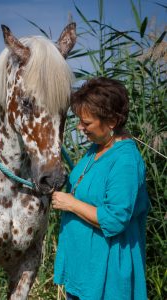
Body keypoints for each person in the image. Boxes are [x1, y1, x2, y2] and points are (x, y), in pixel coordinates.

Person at [52, 77, 150, 300]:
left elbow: (115, 219)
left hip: (106, 277)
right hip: (83, 271)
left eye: (86, 123)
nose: (80, 128)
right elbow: (84, 187)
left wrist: (71, 203)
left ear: (112, 121)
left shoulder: (125, 160)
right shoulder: (96, 149)